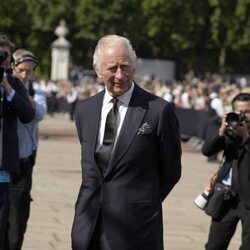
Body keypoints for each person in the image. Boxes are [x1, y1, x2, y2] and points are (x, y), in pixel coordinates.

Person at [71, 34, 182, 250]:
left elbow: (171, 171)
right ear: (98, 70)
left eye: (125, 66)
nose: (120, 75)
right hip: (88, 224)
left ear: (133, 66)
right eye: (112, 68)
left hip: (136, 228)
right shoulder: (85, 110)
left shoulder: (158, 110)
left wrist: (141, 203)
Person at [6, 48, 47, 250]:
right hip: (4, 162)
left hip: (22, 165)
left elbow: (38, 113)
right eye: (21, 70)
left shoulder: (35, 93)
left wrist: (20, 92)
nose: (25, 75)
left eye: (29, 71)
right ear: (12, 66)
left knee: (18, 221)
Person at [202, 92, 250, 250]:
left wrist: (246, 138)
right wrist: (222, 129)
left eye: (247, 111)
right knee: (214, 245)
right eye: (239, 111)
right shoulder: (230, 131)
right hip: (226, 197)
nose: (243, 116)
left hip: (248, 201)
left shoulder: (243, 134)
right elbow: (207, 150)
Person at [0, 35, 34, 249]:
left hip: (4, 164)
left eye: (5, 55)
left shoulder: (13, 84)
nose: (2, 59)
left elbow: (27, 115)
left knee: (3, 217)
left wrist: (6, 85)